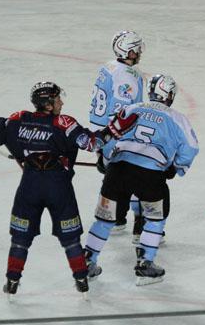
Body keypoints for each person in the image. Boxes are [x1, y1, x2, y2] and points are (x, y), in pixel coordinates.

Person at [0, 82, 137, 297]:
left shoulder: (19, 119)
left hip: (30, 185)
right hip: (58, 186)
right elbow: (92, 143)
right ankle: (82, 281)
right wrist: (114, 129)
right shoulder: (63, 123)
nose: (61, 103)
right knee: (70, 238)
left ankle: (12, 281)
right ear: (48, 104)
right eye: (57, 99)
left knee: (20, 237)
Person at [84, 74, 199, 286]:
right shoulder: (177, 118)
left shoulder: (131, 108)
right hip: (150, 175)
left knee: (104, 219)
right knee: (155, 217)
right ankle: (145, 264)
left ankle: (87, 262)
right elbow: (190, 148)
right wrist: (176, 167)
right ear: (169, 95)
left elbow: (110, 135)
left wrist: (106, 160)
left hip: (118, 170)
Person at [89, 29, 147, 237]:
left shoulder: (109, 66)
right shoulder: (127, 77)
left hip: (100, 130)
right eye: (136, 48)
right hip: (115, 134)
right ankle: (131, 221)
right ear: (128, 51)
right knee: (134, 175)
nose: (140, 52)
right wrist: (116, 141)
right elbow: (121, 114)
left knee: (116, 176)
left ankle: (114, 218)